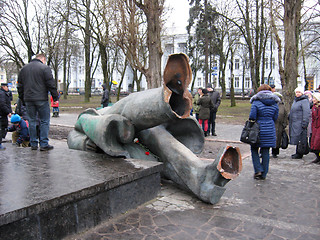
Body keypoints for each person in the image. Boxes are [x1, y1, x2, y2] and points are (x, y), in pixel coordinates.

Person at [17, 53, 59, 151]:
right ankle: (44, 144)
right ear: (43, 59)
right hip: (41, 99)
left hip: (28, 99)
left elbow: (20, 86)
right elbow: (50, 84)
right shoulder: (45, 68)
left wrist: (22, 99)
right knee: (44, 120)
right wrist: (55, 97)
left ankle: (33, 143)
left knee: (31, 121)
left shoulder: (23, 69)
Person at [249, 84, 279, 180]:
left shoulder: (256, 103)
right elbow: (275, 117)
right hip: (269, 128)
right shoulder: (275, 103)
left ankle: (258, 170)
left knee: (254, 149)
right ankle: (264, 173)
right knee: (265, 151)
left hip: (257, 129)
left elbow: (252, 117)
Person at [288, 87, 311, 159]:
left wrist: (305, 122)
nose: (298, 94)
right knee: (298, 138)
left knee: (301, 138)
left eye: (299, 92)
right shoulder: (296, 100)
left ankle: (300, 152)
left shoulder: (304, 101)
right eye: (296, 92)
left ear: (302, 93)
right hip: (295, 122)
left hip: (300, 122)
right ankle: (299, 151)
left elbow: (306, 112)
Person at [272, 92, 288, 158]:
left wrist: (285, 123)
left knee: (278, 139)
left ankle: (275, 152)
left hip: (279, 125)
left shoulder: (282, 106)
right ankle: (263, 151)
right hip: (271, 124)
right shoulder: (270, 104)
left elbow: (285, 115)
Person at [0, 83, 13, 150]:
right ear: (3, 87)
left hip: (3, 114)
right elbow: (3, 104)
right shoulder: (2, 94)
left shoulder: (5, 93)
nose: (8, 88)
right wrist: (8, 112)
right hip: (2, 114)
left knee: (4, 127)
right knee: (2, 127)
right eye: (7, 86)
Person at [309, 92, 320, 164]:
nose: (313, 99)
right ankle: (318, 157)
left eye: (314, 98)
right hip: (315, 127)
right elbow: (313, 118)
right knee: (314, 143)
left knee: (318, 143)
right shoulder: (313, 107)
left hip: (319, 127)